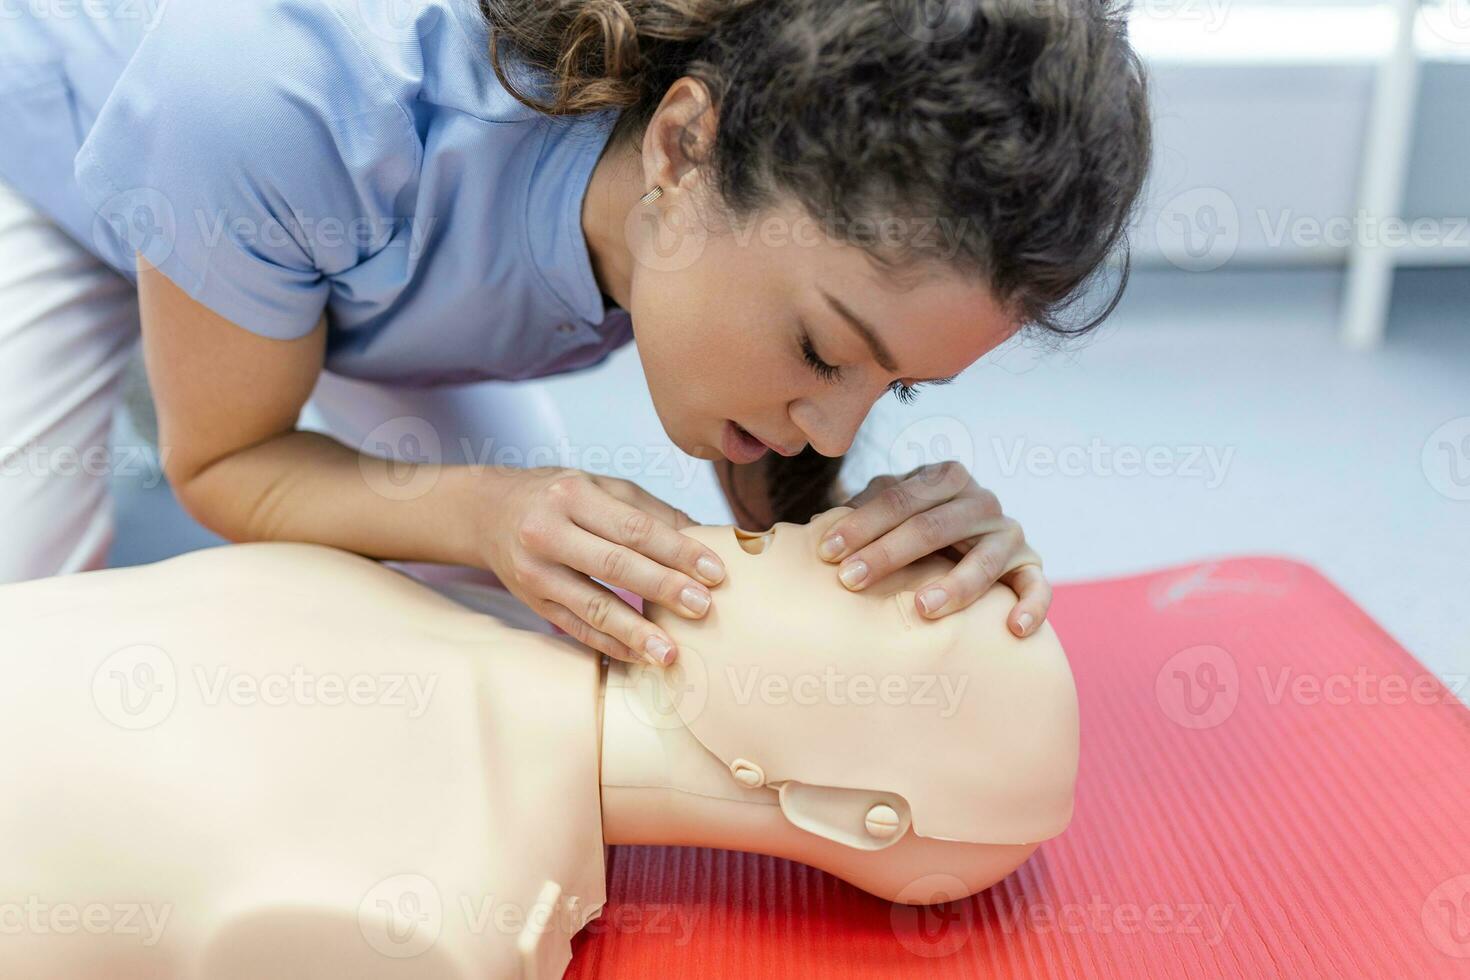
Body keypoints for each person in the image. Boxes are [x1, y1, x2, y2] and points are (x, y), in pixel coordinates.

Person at [0, 0, 1152, 665]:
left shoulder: (726, 174)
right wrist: (483, 508)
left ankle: (240, 337)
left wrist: (866, 542)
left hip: (305, 247)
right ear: (681, 150)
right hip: (59, 157)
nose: (827, 424)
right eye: (819, 351)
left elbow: (783, 462)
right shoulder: (284, 91)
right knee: (24, 630)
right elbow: (225, 462)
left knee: (538, 617)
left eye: (894, 387)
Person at [0, 506, 1078, 978]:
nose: (854, 547)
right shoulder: (482, 602)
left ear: (851, 806)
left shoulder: (430, 911)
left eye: (903, 610)